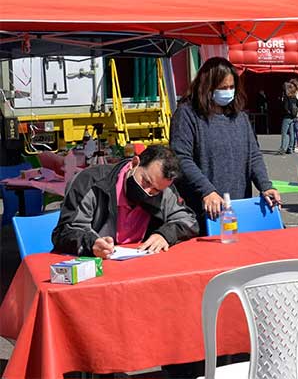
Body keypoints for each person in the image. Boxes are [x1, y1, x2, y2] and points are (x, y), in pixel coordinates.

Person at [170, 57, 281, 233]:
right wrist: (207, 190)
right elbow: (181, 158)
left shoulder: (240, 118)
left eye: (231, 87)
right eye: (222, 88)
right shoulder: (187, 114)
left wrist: (265, 186)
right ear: (207, 87)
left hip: (238, 207)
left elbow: (253, 156)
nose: (228, 92)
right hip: (201, 210)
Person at [52, 145, 198, 258]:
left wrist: (165, 235)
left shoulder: (164, 188)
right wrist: (92, 244)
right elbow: (64, 232)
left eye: (155, 191)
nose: (147, 192)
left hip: (142, 264)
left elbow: (189, 222)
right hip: (96, 264)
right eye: (145, 182)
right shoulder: (91, 182)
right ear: (134, 164)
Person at [278, 80, 298, 155]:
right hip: (293, 117)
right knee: (291, 133)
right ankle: (290, 148)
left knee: (284, 133)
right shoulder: (294, 97)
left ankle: (283, 149)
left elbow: (285, 107)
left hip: (287, 117)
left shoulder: (286, 98)